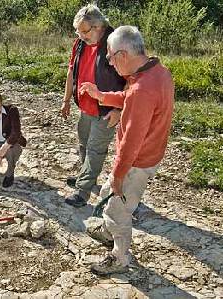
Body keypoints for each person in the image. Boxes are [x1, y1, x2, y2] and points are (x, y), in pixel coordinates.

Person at [79, 25, 174, 275]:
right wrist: (101, 95)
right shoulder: (157, 72)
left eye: (110, 56)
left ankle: (119, 257)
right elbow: (129, 97)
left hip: (136, 162)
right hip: (147, 156)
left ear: (123, 55)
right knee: (108, 193)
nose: (109, 63)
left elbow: (132, 140)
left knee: (117, 209)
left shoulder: (143, 89)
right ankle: (108, 230)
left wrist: (119, 175)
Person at [60, 4, 126, 208]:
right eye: (78, 32)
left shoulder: (116, 43)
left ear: (99, 26)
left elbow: (131, 81)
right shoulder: (80, 43)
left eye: (85, 31)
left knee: (95, 150)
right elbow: (72, 71)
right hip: (85, 108)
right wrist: (66, 100)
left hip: (107, 110)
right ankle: (84, 176)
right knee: (84, 144)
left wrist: (118, 110)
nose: (81, 36)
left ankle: (83, 191)